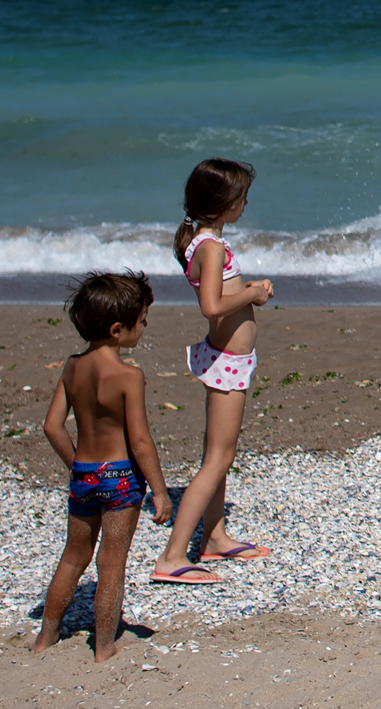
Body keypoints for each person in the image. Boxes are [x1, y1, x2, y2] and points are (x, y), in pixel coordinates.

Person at [34, 272, 173, 661]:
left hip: (85, 473)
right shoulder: (129, 375)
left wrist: (76, 464)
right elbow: (141, 441)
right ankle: (105, 646)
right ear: (117, 329)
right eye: (142, 320)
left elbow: (51, 425)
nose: (144, 328)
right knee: (111, 563)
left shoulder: (73, 368)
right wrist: (160, 491)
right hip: (119, 478)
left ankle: (45, 637)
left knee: (73, 556)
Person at [152, 158, 275, 584]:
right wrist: (254, 295)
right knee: (218, 459)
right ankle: (172, 557)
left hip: (223, 356)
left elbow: (218, 291)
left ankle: (215, 536)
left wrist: (247, 290)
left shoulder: (201, 242)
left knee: (217, 457)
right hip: (227, 363)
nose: (245, 204)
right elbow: (212, 305)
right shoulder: (212, 247)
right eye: (241, 197)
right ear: (223, 204)